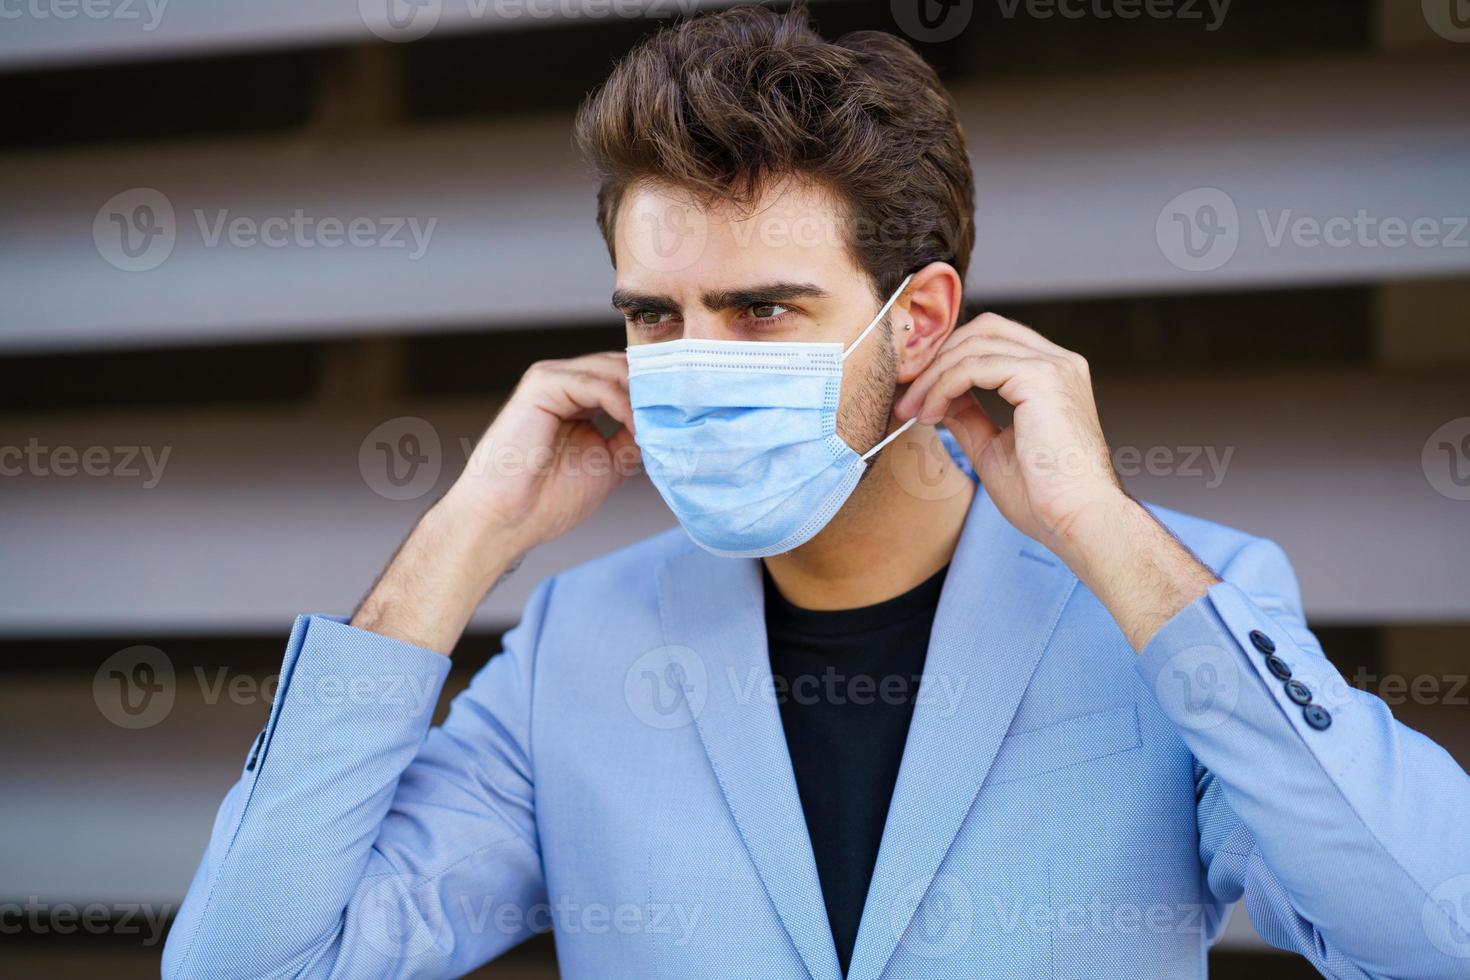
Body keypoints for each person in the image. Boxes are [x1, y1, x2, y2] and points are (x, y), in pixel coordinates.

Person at [162, 6, 1470, 979]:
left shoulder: (1170, 600)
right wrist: (460, 539)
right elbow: (252, 967)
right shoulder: (577, 647)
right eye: (653, 317)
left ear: (918, 323)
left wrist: (1104, 536)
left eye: (760, 309)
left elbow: (1428, 932)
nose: (693, 363)